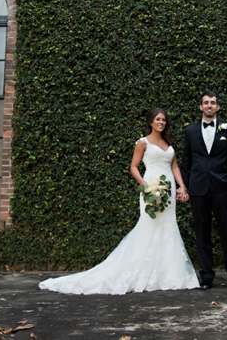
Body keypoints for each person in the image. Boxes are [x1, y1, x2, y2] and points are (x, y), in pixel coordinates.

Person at [39, 108, 199, 294]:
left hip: (168, 190)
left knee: (168, 226)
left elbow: (175, 166)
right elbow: (133, 166)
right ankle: (141, 270)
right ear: (150, 122)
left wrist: (182, 186)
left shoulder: (168, 142)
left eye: (164, 119)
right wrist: (145, 186)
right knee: (149, 225)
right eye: (158, 119)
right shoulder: (142, 142)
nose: (161, 122)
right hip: (151, 187)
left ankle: (167, 273)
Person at [181, 91, 227, 290]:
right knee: (202, 232)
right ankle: (206, 277)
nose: (210, 106)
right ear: (201, 107)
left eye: (213, 103)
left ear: (218, 107)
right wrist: (185, 186)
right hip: (198, 188)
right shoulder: (190, 131)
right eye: (206, 103)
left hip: (222, 188)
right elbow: (186, 161)